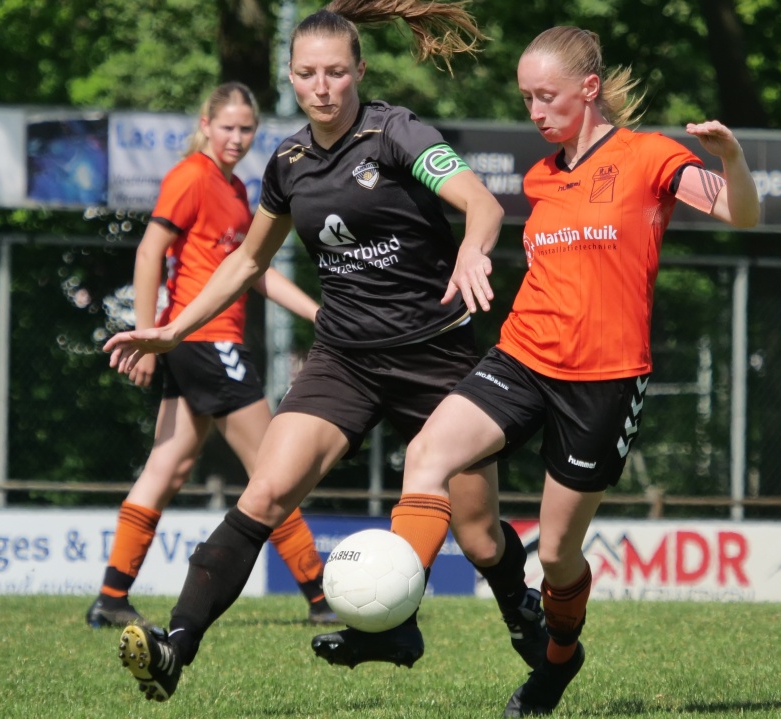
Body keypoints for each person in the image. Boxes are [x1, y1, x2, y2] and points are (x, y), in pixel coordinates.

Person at [103, 0, 547, 703]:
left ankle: (522, 608)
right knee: (265, 491)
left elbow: (483, 204)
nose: (323, 86)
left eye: (337, 72)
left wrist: (471, 252)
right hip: (344, 358)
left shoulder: (397, 132)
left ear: (359, 71)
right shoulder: (289, 162)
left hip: (435, 356)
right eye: (308, 73)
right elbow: (248, 263)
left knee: (481, 535)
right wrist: (168, 328)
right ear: (290, 77)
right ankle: (173, 647)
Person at [379, 25, 761, 718]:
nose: (534, 111)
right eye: (526, 97)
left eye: (546, 95)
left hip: (607, 379)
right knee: (426, 455)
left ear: (589, 89)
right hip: (523, 356)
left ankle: (556, 662)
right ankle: (395, 611)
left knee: (558, 555)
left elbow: (742, 212)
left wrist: (732, 157)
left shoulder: (650, 157)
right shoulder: (541, 175)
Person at [86, 81, 338, 632]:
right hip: (205, 342)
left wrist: (317, 313)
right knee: (276, 468)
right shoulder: (192, 177)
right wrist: (150, 335)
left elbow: (257, 272)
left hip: (195, 344)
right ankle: (321, 599)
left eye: (247, 129)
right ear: (205, 123)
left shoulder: (235, 189)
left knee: (167, 466)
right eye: (227, 126)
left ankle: (110, 597)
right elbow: (151, 250)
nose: (237, 138)